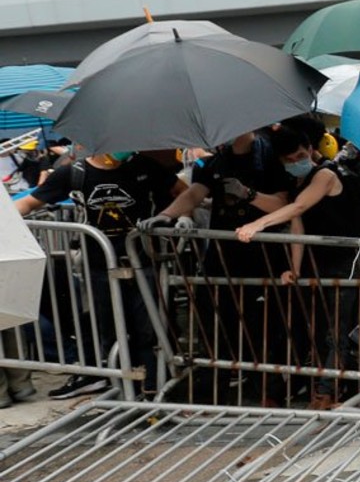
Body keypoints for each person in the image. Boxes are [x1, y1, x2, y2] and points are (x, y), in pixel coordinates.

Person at [17, 149, 185, 398]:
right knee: (107, 327)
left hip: (145, 261)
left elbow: (183, 192)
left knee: (149, 327)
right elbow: (30, 202)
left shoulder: (144, 166)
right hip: (99, 267)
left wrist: (180, 216)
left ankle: (153, 385)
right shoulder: (73, 174)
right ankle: (116, 382)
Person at [142, 130, 294, 404]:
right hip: (221, 259)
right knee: (216, 330)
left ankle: (268, 393)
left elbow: (283, 204)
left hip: (263, 258)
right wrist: (166, 215)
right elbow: (194, 194)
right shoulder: (215, 161)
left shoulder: (268, 158)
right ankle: (215, 394)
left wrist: (248, 194)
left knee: (262, 330)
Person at [234, 127, 360, 408]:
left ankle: (326, 394)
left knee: (335, 332)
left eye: (300, 155)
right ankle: (321, 388)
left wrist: (258, 224)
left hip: (345, 263)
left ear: (311, 150)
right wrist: (295, 268)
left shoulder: (325, 174)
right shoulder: (298, 182)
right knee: (318, 330)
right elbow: (298, 228)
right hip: (317, 264)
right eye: (289, 159)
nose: (295, 161)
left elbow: (299, 209)